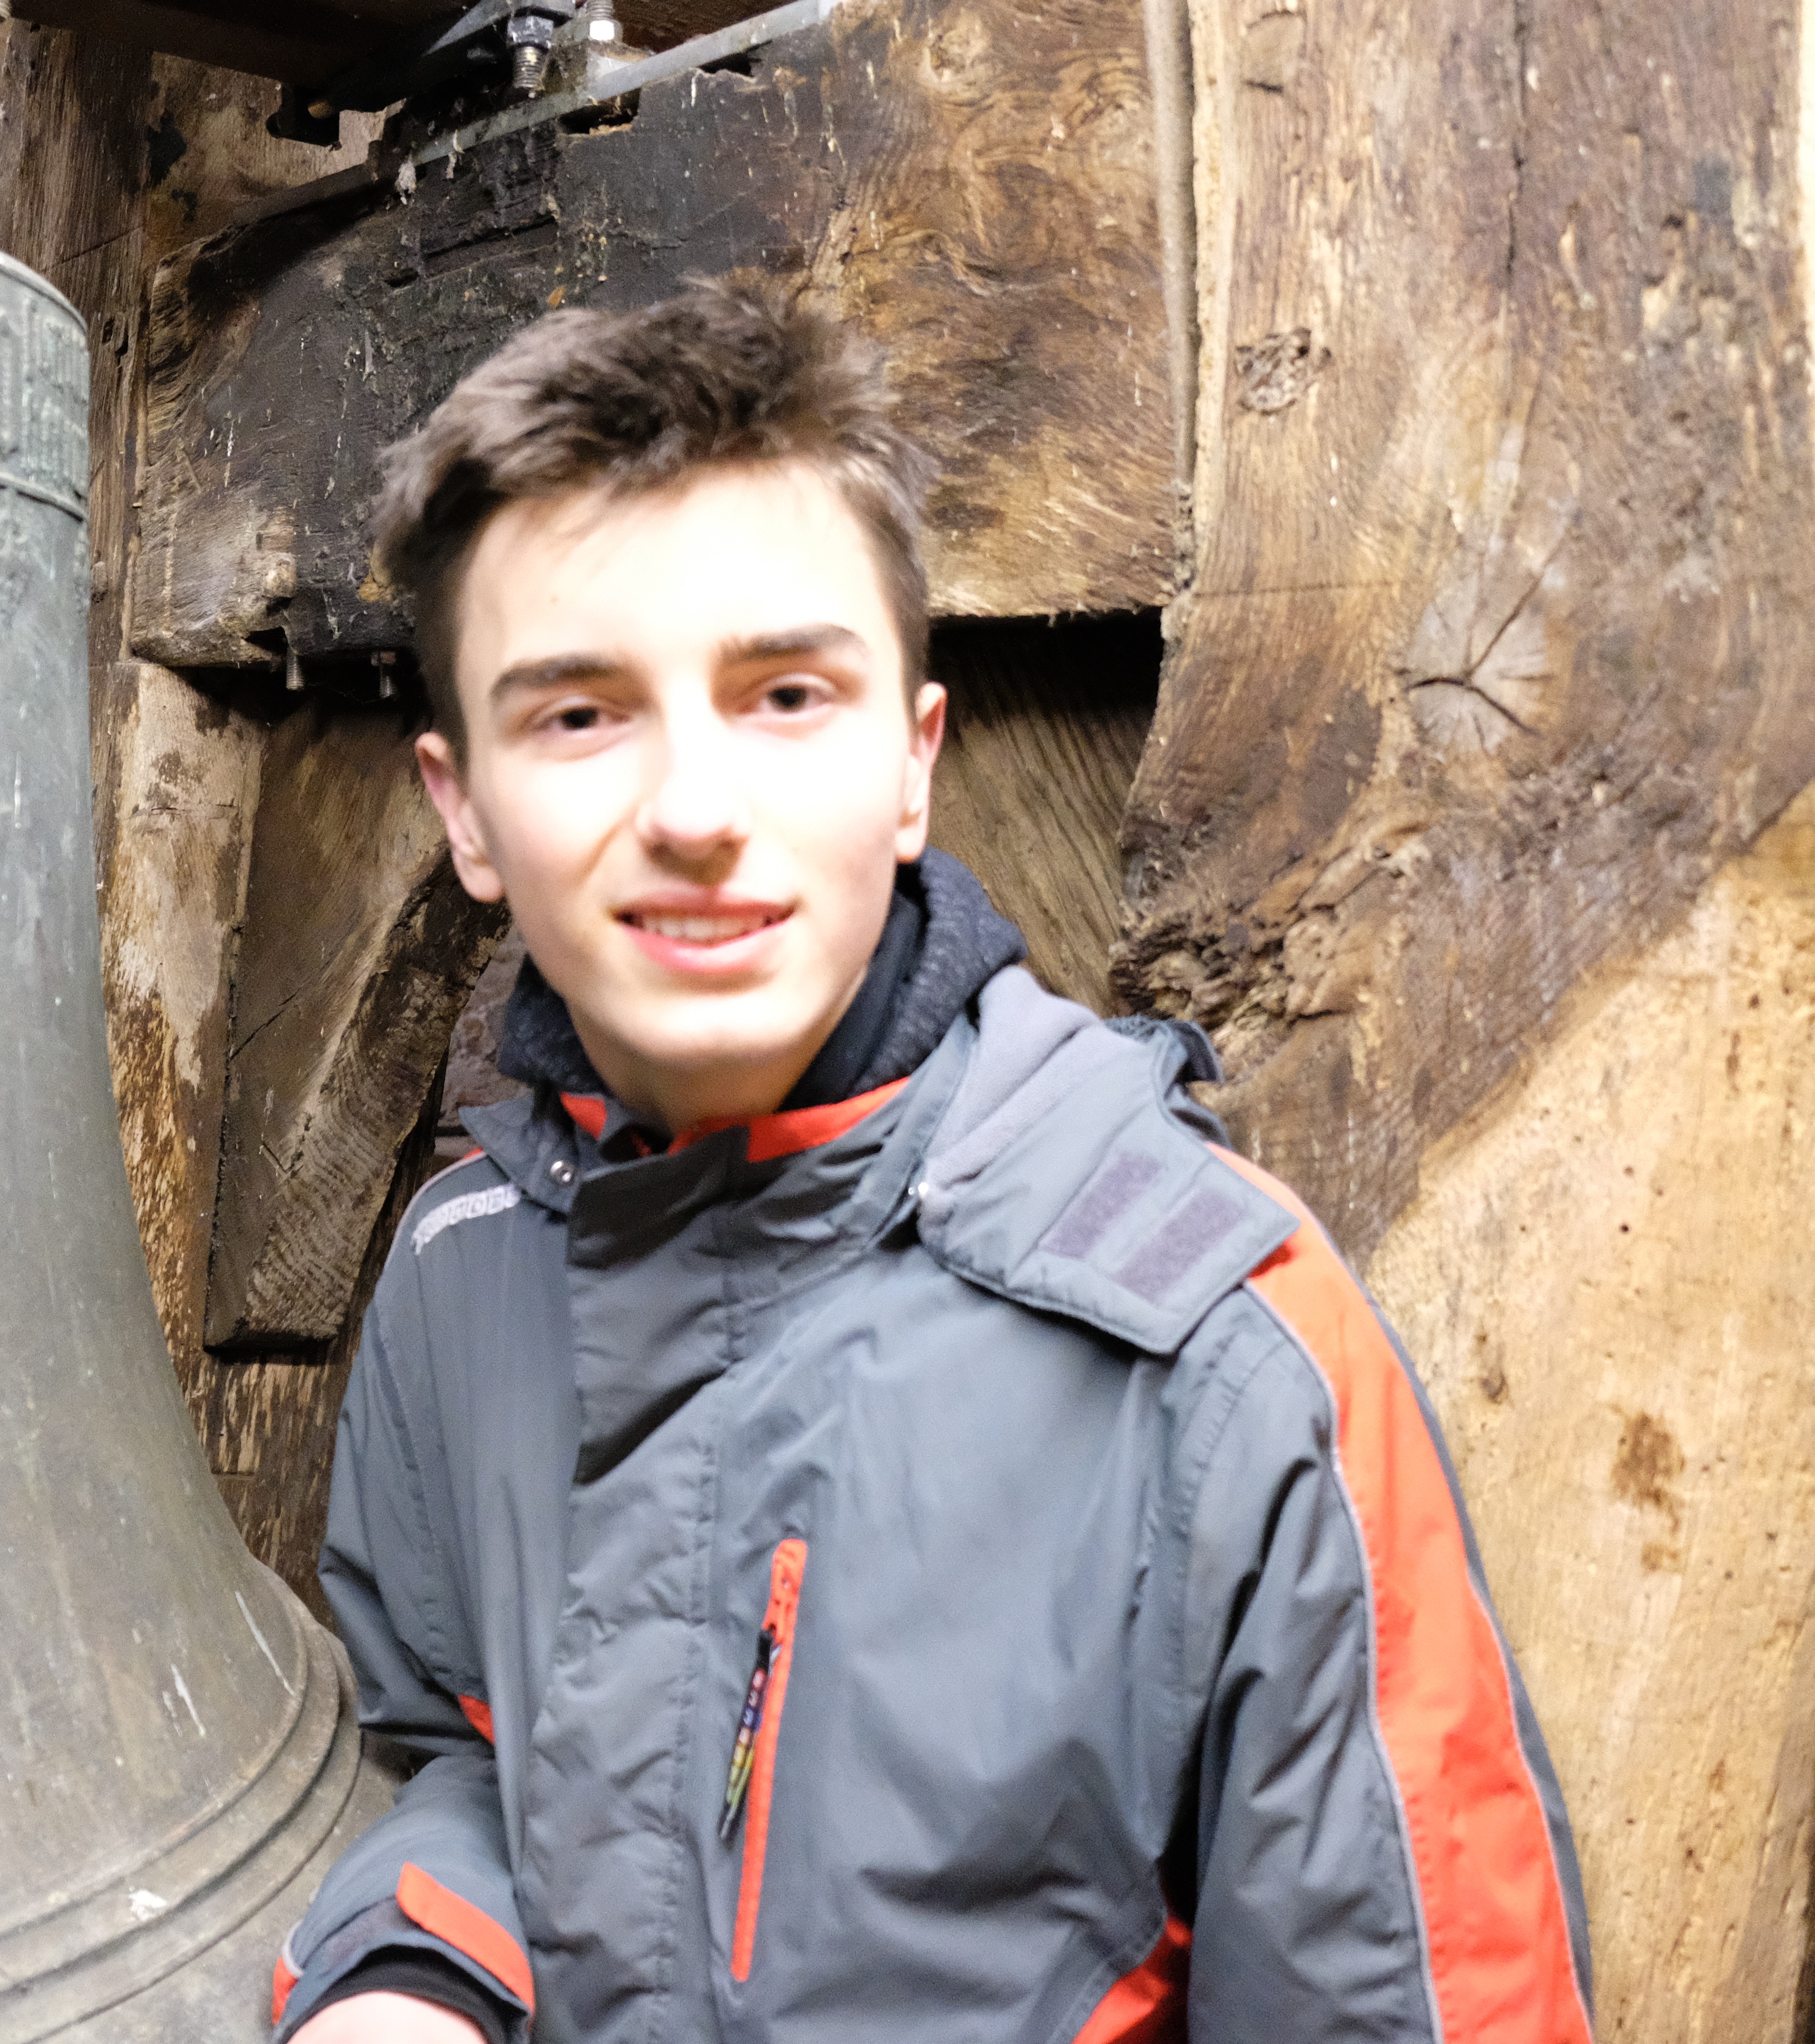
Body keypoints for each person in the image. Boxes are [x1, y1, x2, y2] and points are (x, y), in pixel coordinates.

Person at [266, 276, 1593, 2043]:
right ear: (465, 811)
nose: (694, 810)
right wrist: (415, 1966)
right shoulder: (460, 1271)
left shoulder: (1225, 1351)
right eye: (578, 715)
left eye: (786, 694)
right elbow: (457, 1747)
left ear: (913, 765)